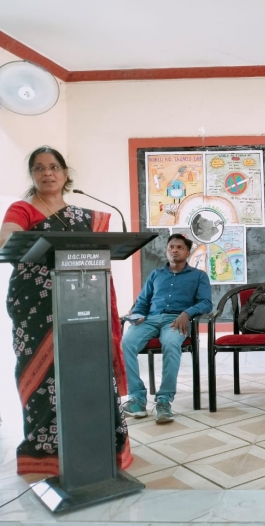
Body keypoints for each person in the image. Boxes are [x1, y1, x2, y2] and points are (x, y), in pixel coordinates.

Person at [0, 146, 133, 475]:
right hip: (36, 307)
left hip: (83, 305)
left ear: (65, 173)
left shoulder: (84, 216)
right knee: (43, 375)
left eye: (54, 167)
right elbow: (7, 238)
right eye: (39, 168)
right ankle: (46, 451)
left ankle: (97, 446)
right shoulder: (23, 208)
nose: (47, 173)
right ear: (32, 175)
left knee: (88, 372)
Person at [121, 233, 212, 424]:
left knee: (171, 344)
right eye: (171, 247)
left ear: (187, 253)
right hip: (150, 320)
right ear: (166, 250)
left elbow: (206, 303)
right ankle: (137, 399)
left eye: (179, 247)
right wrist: (137, 314)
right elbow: (142, 301)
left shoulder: (198, 276)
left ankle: (164, 400)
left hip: (176, 320)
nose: (174, 250)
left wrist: (187, 313)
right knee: (126, 343)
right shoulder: (156, 274)